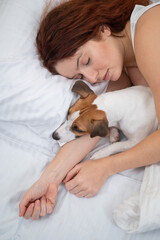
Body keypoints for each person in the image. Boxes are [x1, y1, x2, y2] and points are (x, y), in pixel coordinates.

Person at [19, 0, 160, 220]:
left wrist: (106, 166)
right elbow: (93, 125)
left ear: (102, 29)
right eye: (81, 77)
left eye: (86, 60)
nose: (92, 77)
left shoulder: (148, 30)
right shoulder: (124, 71)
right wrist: (49, 180)